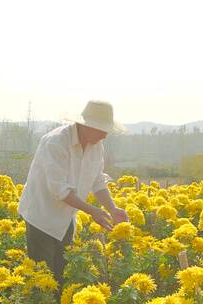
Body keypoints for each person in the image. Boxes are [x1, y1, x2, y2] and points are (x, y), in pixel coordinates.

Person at [18, 100, 129, 299]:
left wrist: (112, 208)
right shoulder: (55, 143)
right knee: (42, 282)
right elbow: (59, 190)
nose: (105, 135)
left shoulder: (97, 146)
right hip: (41, 217)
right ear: (87, 126)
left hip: (66, 219)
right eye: (103, 130)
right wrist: (92, 211)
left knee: (60, 277)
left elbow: (97, 182)